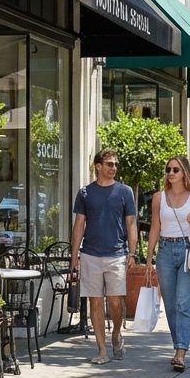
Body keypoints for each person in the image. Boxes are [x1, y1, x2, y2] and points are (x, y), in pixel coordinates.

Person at [69, 148, 138, 365]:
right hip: (90, 254)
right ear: (98, 166)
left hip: (117, 253)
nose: (113, 168)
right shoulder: (85, 193)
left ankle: (116, 333)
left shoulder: (125, 191)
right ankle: (101, 350)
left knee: (116, 302)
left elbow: (131, 223)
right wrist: (74, 257)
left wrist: (132, 252)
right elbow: (79, 224)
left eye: (115, 164)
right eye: (109, 164)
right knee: (95, 302)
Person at [145, 154, 190, 372]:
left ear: (185, 173)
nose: (170, 173)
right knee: (170, 304)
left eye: (175, 170)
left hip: (188, 250)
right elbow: (155, 226)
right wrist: (149, 255)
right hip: (165, 250)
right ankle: (178, 345)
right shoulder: (158, 198)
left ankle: (180, 351)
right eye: (168, 169)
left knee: (183, 302)